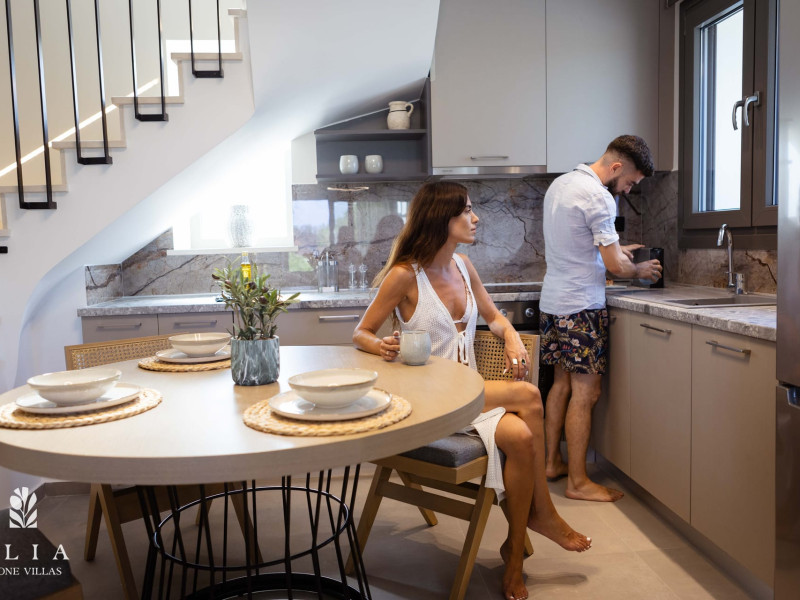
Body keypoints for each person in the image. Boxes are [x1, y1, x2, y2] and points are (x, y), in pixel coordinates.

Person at [353, 181, 591, 600]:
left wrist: (511, 337)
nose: (475, 217)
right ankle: (545, 513)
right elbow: (361, 332)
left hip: (471, 398)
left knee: (520, 436)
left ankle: (513, 554)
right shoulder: (405, 276)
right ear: (440, 219)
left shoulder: (463, 266)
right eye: (465, 210)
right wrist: (382, 345)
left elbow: (494, 317)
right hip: (430, 402)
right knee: (529, 395)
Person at [539, 135, 662, 503]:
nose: (627, 190)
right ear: (617, 167)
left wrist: (616, 249)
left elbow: (576, 242)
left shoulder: (561, 184)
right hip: (581, 307)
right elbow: (615, 267)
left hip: (553, 303)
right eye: (630, 182)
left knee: (560, 385)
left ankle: (551, 463)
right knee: (586, 393)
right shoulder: (598, 196)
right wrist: (638, 270)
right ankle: (579, 482)